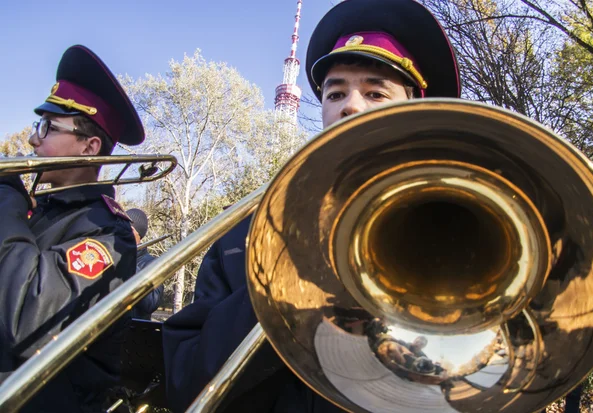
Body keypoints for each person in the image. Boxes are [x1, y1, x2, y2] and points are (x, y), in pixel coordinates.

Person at [162, 0, 461, 412]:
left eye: (375, 92)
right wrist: (286, 281)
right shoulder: (246, 233)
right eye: (335, 92)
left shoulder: (457, 228)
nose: (349, 106)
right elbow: (188, 384)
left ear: (413, 112)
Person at [0, 45, 144, 412]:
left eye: (47, 127)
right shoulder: (41, 210)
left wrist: (6, 200)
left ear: (89, 146)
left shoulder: (108, 232)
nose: (33, 139)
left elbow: (27, 319)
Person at [127, 208, 165, 320]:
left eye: (128, 229)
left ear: (138, 235)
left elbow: (151, 303)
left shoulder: (153, 264)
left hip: (132, 333)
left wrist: (128, 262)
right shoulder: (113, 257)